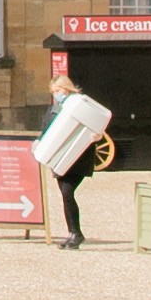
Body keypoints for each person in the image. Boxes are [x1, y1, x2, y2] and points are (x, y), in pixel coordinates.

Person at [45, 73, 102, 249]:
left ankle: (76, 233)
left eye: (59, 90)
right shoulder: (53, 109)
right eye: (53, 91)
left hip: (78, 157)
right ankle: (73, 233)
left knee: (67, 193)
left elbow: (97, 124)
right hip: (60, 159)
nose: (56, 94)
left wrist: (97, 136)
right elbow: (46, 131)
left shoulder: (80, 105)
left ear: (66, 88)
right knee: (65, 195)